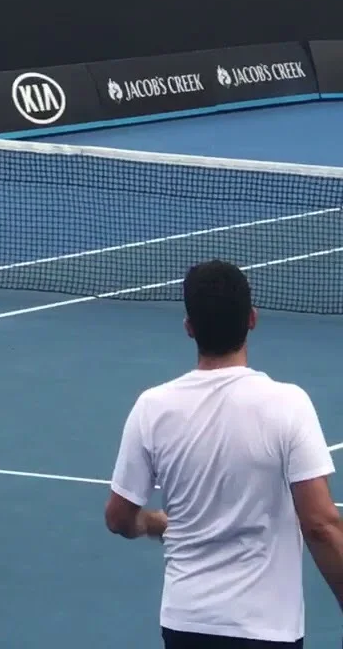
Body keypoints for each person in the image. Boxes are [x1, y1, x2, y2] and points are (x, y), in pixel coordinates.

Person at [105, 259, 343, 648]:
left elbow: (118, 518)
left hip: (185, 624)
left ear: (189, 328)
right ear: (252, 319)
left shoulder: (152, 407)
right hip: (266, 630)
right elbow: (320, 524)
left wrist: (153, 523)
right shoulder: (288, 404)